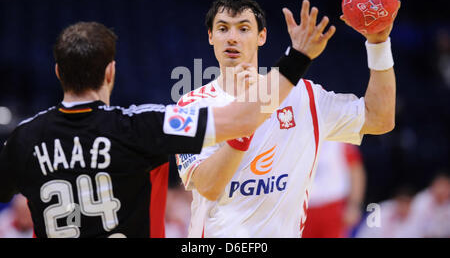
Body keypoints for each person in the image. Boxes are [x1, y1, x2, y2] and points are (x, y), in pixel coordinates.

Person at [0, 21, 312, 238]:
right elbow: (240, 121)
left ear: (58, 72)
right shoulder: (144, 125)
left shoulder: (23, 140)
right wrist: (297, 58)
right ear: (111, 72)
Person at [176, 0, 398, 237]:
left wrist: (379, 44)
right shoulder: (190, 107)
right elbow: (208, 186)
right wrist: (249, 115)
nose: (232, 38)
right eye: (222, 28)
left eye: (243, 28)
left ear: (262, 36)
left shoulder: (304, 97)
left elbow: (379, 119)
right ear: (211, 37)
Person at [302, 141, 366, 238]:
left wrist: (354, 205)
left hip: (333, 208)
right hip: (303, 209)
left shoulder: (339, 139)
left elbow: (356, 171)